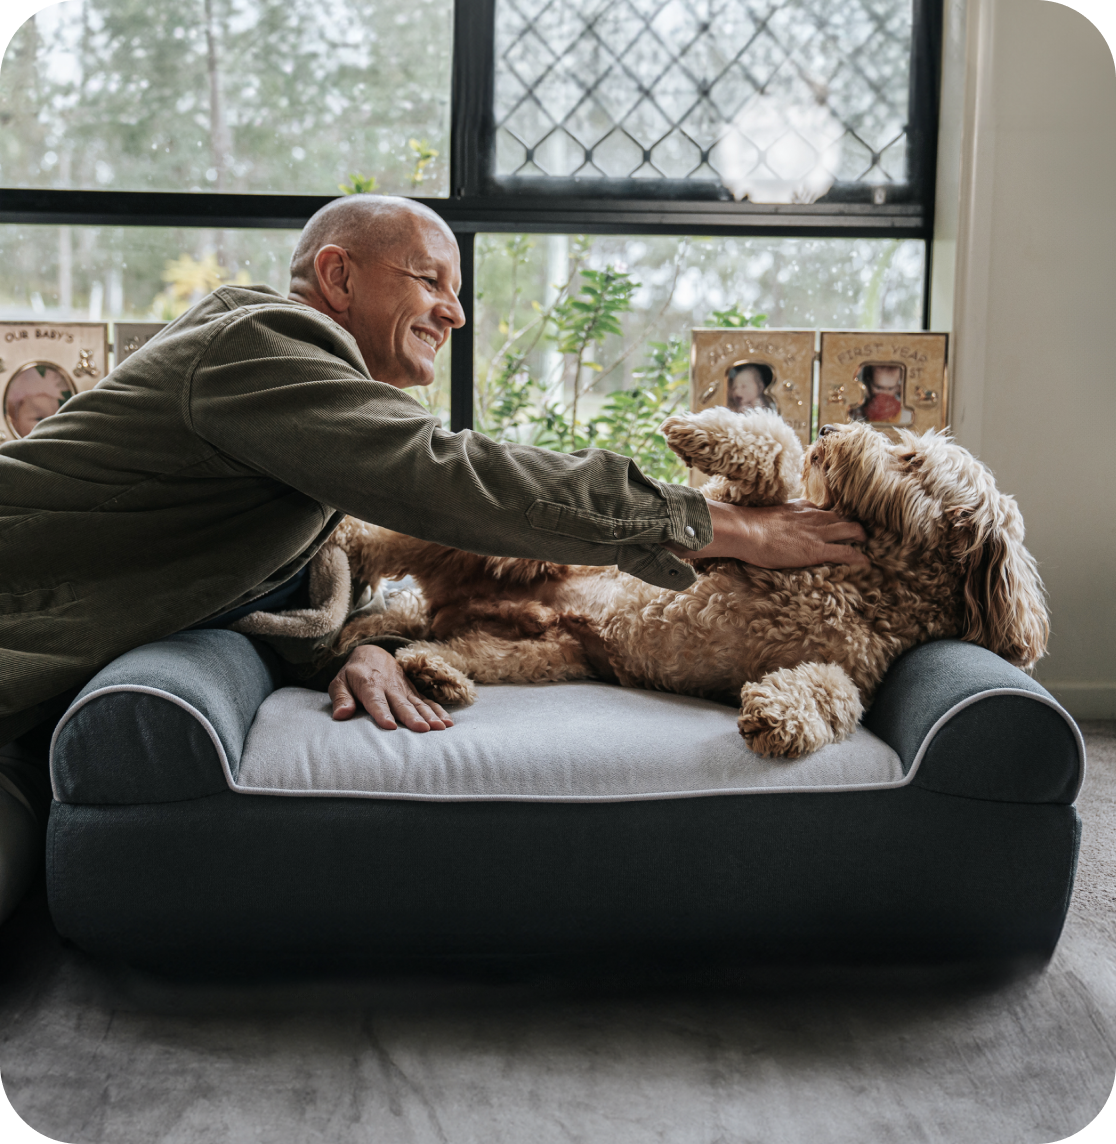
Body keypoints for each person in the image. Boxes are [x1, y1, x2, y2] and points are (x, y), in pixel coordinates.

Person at [0, 195, 867, 923]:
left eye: (459, 292)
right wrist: (731, 528)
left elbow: (277, 581)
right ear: (338, 277)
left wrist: (365, 643)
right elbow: (453, 477)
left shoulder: (298, 429)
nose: (455, 311)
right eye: (431, 282)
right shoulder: (259, 344)